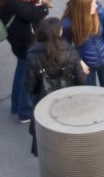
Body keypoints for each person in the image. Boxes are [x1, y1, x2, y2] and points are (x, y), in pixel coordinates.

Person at [22, 15, 91, 154]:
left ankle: (47, 167)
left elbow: (29, 84)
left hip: (43, 98)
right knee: (67, 131)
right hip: (67, 97)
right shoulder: (70, 51)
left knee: (44, 136)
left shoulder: (32, 53)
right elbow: (80, 79)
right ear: (59, 32)